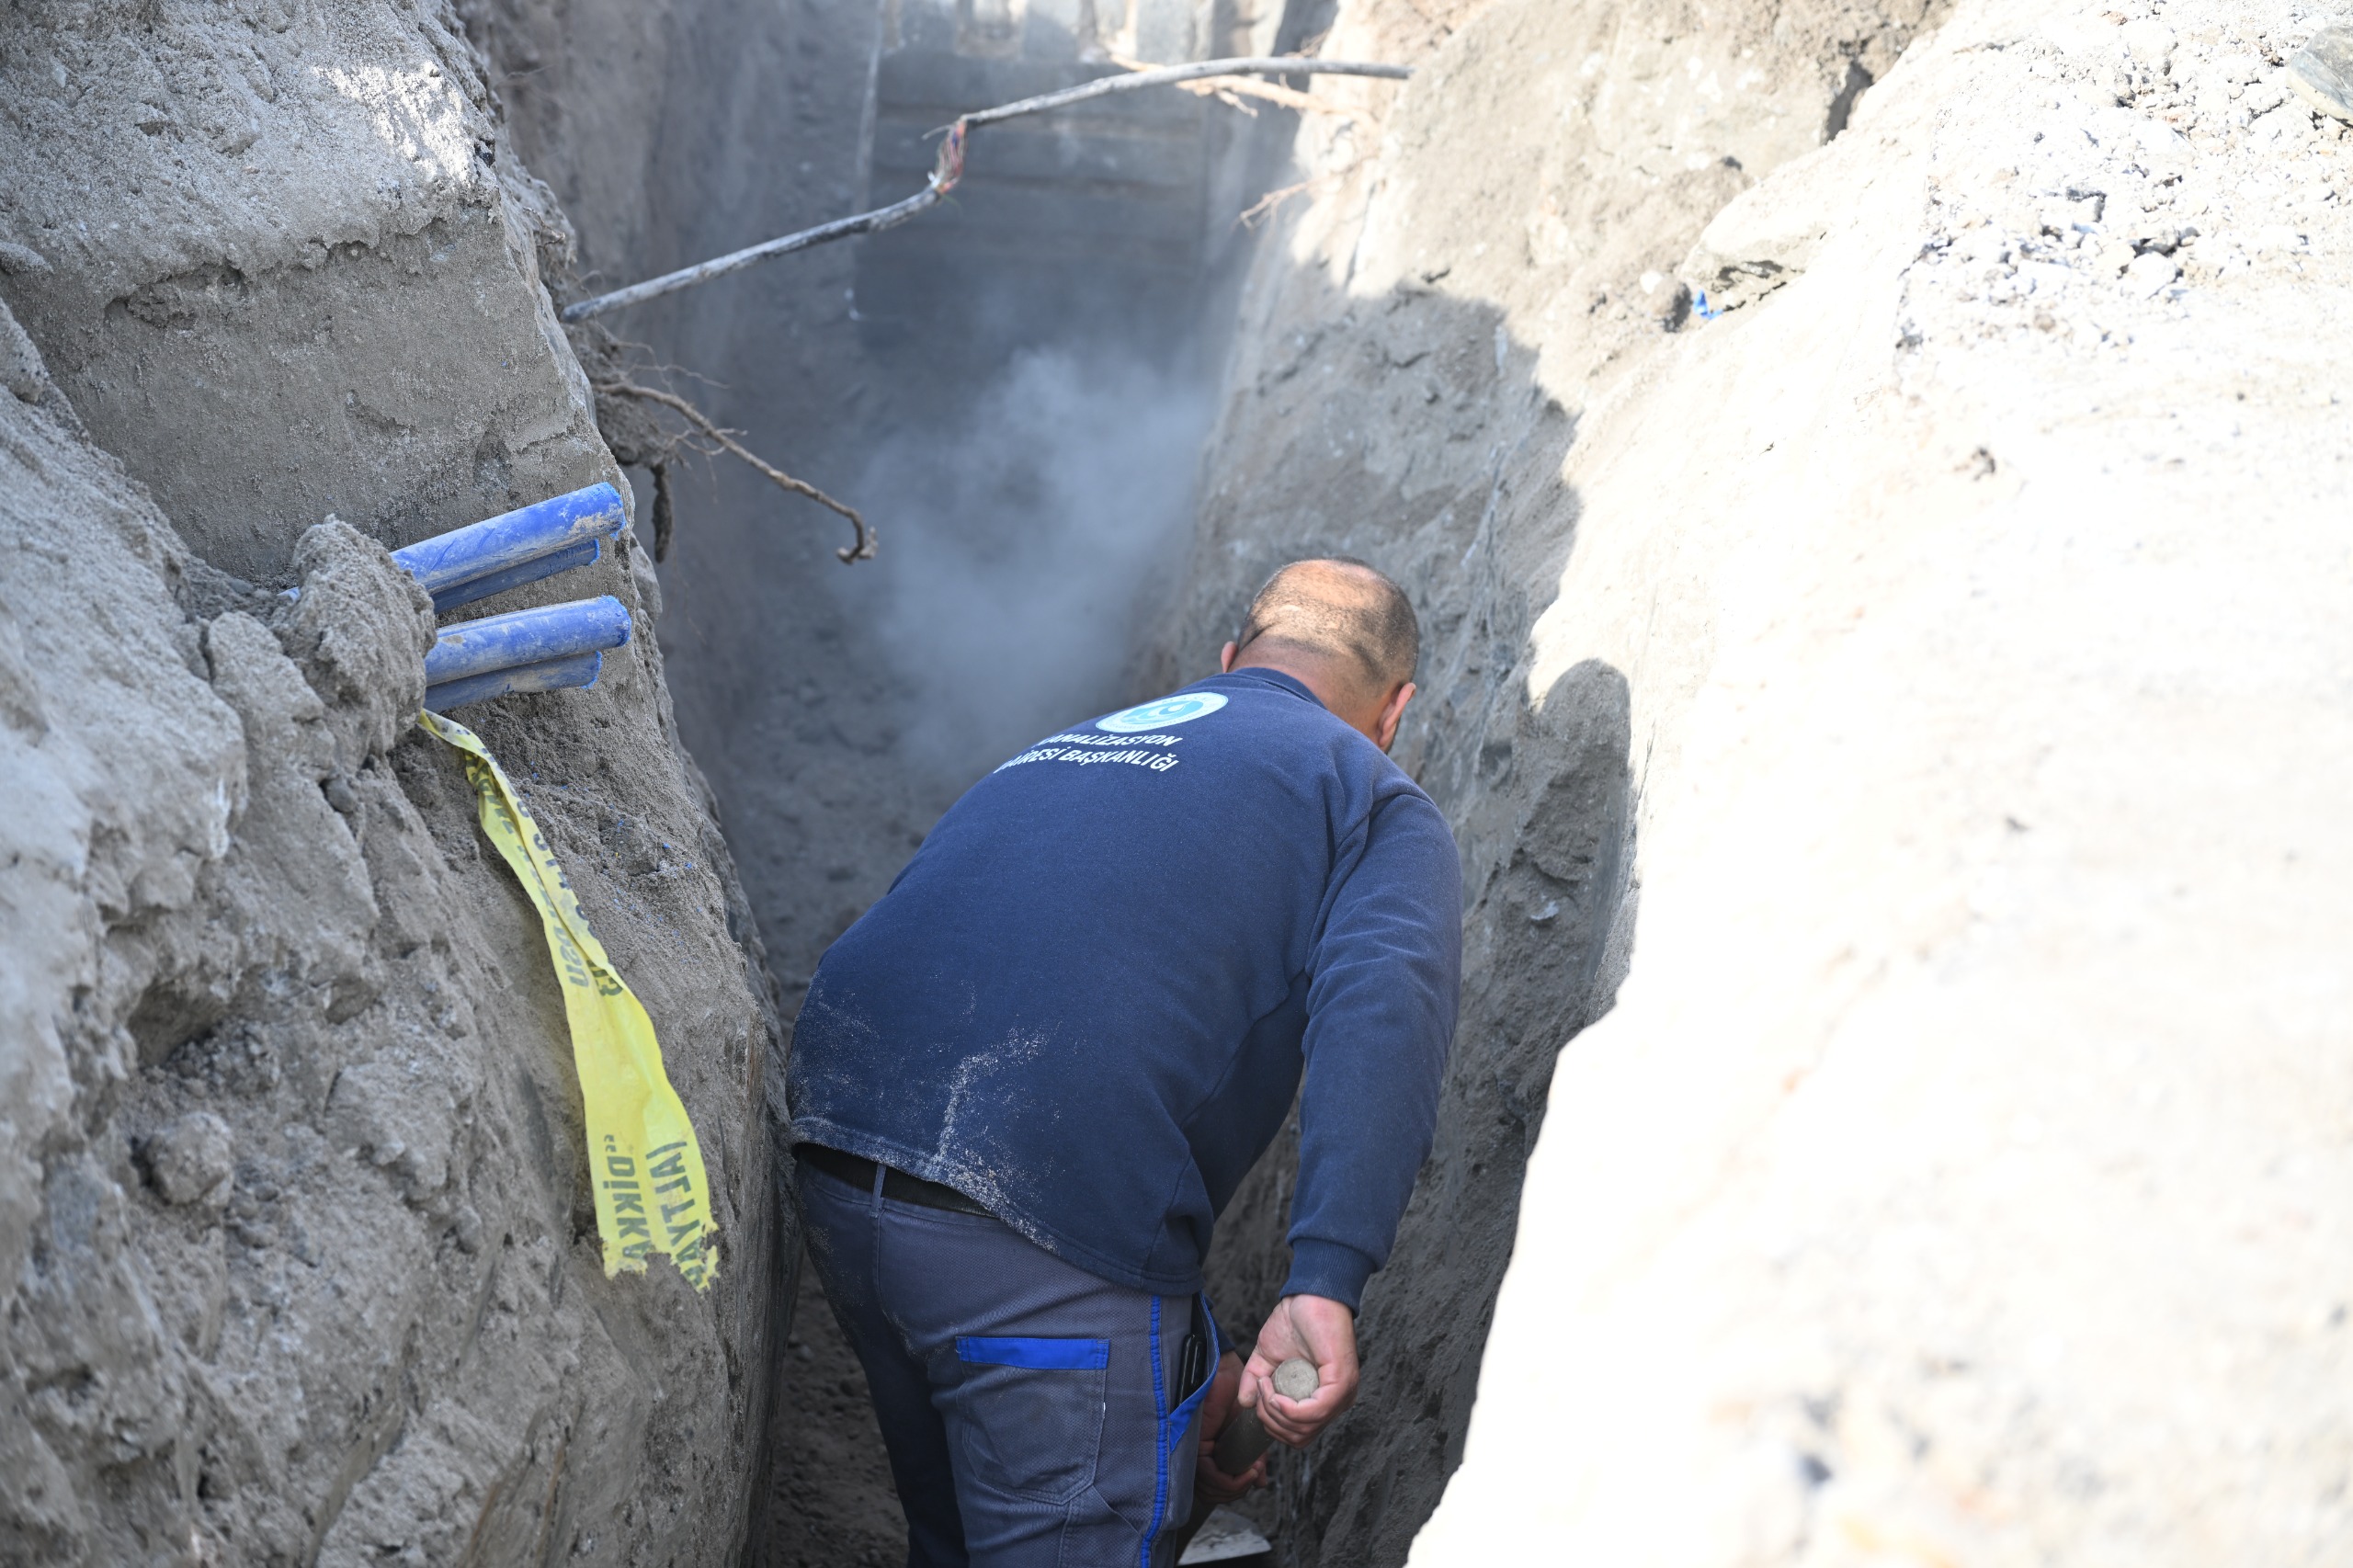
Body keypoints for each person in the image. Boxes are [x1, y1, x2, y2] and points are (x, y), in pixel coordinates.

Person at [786, 558, 1462, 1567]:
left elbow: (1087, 1018)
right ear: (1394, 709)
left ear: (1228, 662)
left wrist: (1181, 1374)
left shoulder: (1070, 746)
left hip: (840, 1162)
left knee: (954, 1537)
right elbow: (1383, 1019)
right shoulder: (1366, 791)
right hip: (1038, 1230)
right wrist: (1325, 1277)